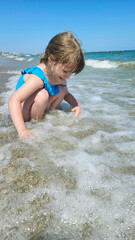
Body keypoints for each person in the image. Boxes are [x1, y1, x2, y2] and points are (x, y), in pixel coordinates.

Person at [8, 32, 85, 139]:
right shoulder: (37, 77)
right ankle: (34, 125)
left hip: (41, 109)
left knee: (62, 90)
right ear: (51, 59)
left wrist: (76, 104)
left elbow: (66, 94)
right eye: (65, 71)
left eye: (71, 73)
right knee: (42, 95)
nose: (67, 76)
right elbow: (13, 100)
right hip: (22, 113)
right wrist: (22, 130)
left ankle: (48, 118)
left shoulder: (59, 76)